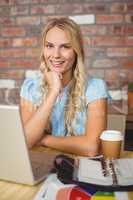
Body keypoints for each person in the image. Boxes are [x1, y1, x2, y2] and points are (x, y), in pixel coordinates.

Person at [20, 17, 108, 156]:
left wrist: (43, 139)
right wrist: (54, 91)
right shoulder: (31, 87)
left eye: (65, 47)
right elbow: (24, 142)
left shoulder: (95, 88)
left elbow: (92, 147)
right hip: (42, 165)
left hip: (79, 168)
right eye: (49, 46)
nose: (55, 55)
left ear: (76, 51)